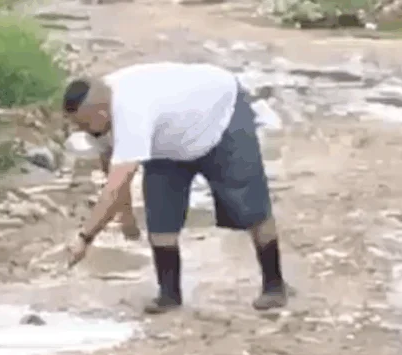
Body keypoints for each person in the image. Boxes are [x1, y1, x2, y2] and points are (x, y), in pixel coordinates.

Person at [62, 62, 289, 314]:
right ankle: (169, 295)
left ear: (102, 113)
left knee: (250, 208)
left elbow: (119, 180)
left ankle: (274, 285)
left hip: (221, 116)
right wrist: (125, 217)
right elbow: (111, 163)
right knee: (160, 216)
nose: (81, 131)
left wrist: (85, 238)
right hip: (168, 139)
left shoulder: (132, 112)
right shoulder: (102, 109)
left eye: (83, 125)